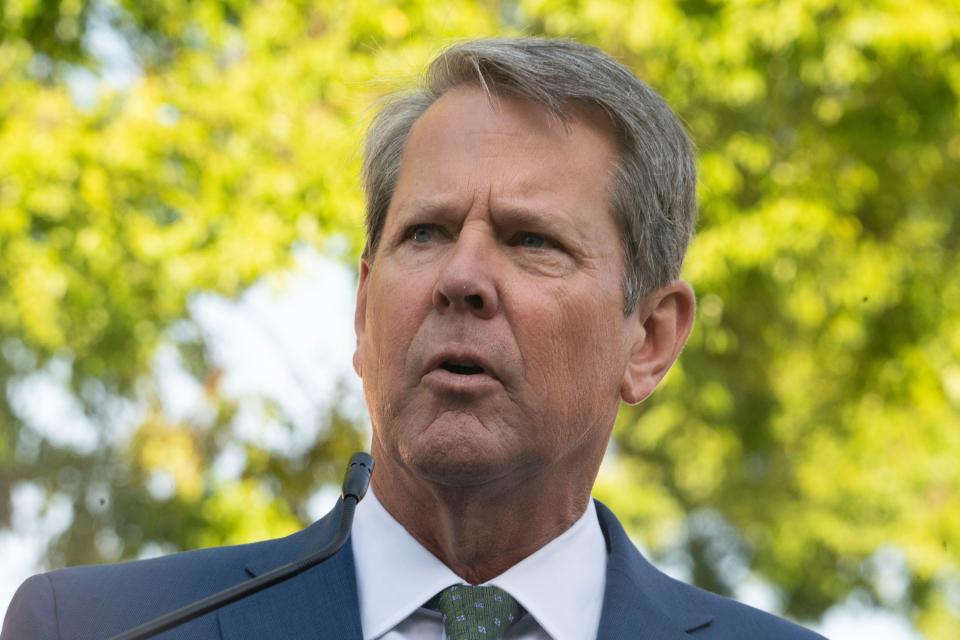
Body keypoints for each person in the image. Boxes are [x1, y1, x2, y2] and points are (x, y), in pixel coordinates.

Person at [2, 38, 825, 640]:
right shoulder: (99, 629)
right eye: (426, 233)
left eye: (531, 240)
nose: (460, 278)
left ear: (648, 338)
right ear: (365, 308)